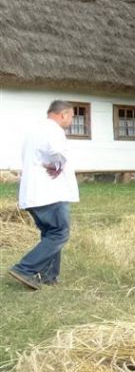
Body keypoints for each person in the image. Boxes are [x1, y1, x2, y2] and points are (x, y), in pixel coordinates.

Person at [8, 100, 79, 290]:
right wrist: (57, 164)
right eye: (71, 116)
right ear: (63, 114)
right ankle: (24, 269)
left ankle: (49, 276)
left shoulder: (34, 130)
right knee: (59, 233)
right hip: (50, 192)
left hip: (34, 192)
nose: (71, 121)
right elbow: (57, 152)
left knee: (50, 233)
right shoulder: (54, 130)